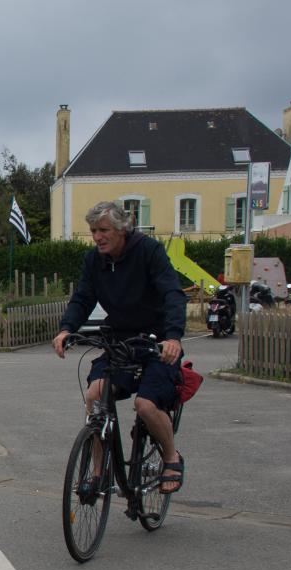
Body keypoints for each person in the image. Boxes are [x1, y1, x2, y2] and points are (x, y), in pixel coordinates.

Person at [52, 201, 187, 494]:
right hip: (120, 342)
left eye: (103, 230)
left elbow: (172, 293)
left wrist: (173, 337)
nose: (97, 237)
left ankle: (171, 457)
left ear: (122, 229)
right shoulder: (94, 260)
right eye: (93, 231)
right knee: (94, 397)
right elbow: (83, 298)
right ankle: (99, 474)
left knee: (146, 405)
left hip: (156, 343)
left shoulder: (148, 251)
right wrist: (66, 329)